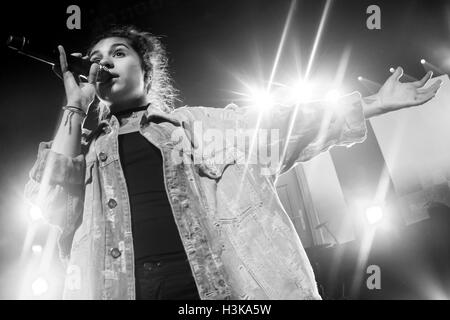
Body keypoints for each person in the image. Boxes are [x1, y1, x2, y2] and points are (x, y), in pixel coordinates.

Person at [24, 25, 442, 300]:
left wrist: (377, 103)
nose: (103, 63)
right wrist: (75, 109)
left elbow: (290, 125)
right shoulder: (84, 148)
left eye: (117, 53)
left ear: (145, 71)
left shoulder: (207, 126)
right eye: (96, 58)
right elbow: (50, 200)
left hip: (219, 293)